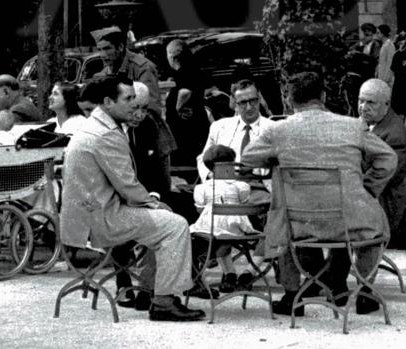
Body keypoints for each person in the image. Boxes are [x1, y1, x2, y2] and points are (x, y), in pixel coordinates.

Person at [242, 71, 397, 316]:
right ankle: (365, 291)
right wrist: (368, 186)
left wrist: (276, 158)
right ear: (323, 96)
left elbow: (248, 155)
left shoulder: (279, 130)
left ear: (290, 99)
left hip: (302, 222)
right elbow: (388, 159)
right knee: (377, 228)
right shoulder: (353, 126)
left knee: (281, 220)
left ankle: (293, 294)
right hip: (349, 220)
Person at [60, 75, 204, 322]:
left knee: (164, 220)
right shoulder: (106, 135)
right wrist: (157, 204)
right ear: (108, 102)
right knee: (176, 224)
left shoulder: (96, 126)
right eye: (128, 99)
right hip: (100, 220)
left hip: (85, 217)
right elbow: (128, 186)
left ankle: (154, 291)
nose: (132, 104)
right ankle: (164, 301)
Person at [196, 78, 275, 284]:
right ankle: (228, 272)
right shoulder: (221, 127)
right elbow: (202, 158)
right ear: (234, 103)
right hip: (225, 185)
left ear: (260, 99)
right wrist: (212, 176)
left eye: (253, 100)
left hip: (260, 187)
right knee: (218, 209)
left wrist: (258, 169)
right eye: (242, 103)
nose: (249, 107)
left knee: (278, 213)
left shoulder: (273, 128)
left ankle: (251, 269)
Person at [91, 25, 176, 199]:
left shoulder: (142, 67)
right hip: (122, 138)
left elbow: (150, 108)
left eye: (107, 48)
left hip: (150, 139)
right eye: (99, 50)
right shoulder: (104, 73)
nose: (102, 54)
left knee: (156, 192)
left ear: (121, 47)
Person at [191, 145, 261, 293]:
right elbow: (243, 204)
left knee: (216, 235)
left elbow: (199, 209)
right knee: (264, 238)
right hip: (237, 228)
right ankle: (248, 272)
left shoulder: (202, 188)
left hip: (210, 230)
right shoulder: (242, 186)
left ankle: (229, 273)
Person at [358, 79, 406, 247]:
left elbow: (385, 176)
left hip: (381, 204)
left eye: (370, 102)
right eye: (361, 100)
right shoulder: (367, 121)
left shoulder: (394, 134)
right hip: (366, 199)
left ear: (386, 104)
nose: (363, 107)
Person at [165, 39, 213, 167]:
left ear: (172, 55)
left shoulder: (185, 71)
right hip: (193, 125)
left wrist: (178, 107)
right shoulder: (191, 69)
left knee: (188, 161)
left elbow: (185, 91)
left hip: (187, 128)